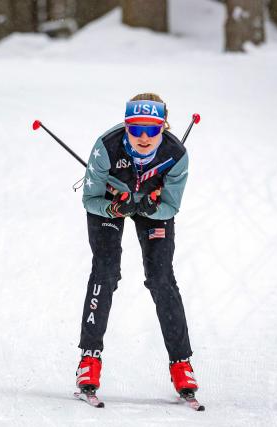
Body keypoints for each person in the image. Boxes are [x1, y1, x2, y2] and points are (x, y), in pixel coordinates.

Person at [75, 93, 198, 398]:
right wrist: (114, 209)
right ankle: (89, 358)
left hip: (149, 207)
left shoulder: (176, 154)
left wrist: (152, 208)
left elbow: (172, 205)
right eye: (136, 128)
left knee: (160, 278)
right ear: (126, 125)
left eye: (153, 130)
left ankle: (181, 364)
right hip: (110, 203)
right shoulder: (106, 146)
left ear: (163, 127)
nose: (144, 137)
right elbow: (89, 199)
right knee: (105, 271)